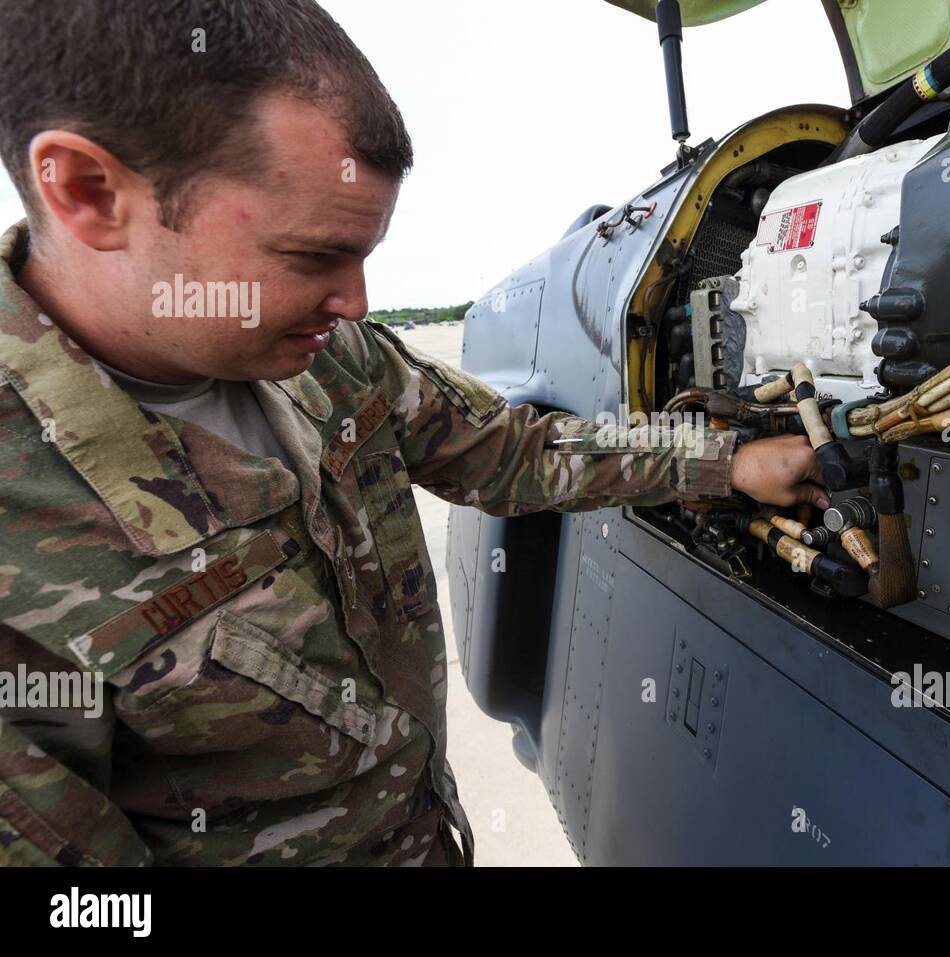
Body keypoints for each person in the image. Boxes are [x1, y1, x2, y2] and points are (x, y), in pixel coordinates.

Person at [0, 0, 829, 865]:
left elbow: (511, 452)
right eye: (311, 256)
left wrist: (724, 459)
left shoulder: (331, 359)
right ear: (90, 192)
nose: (355, 303)